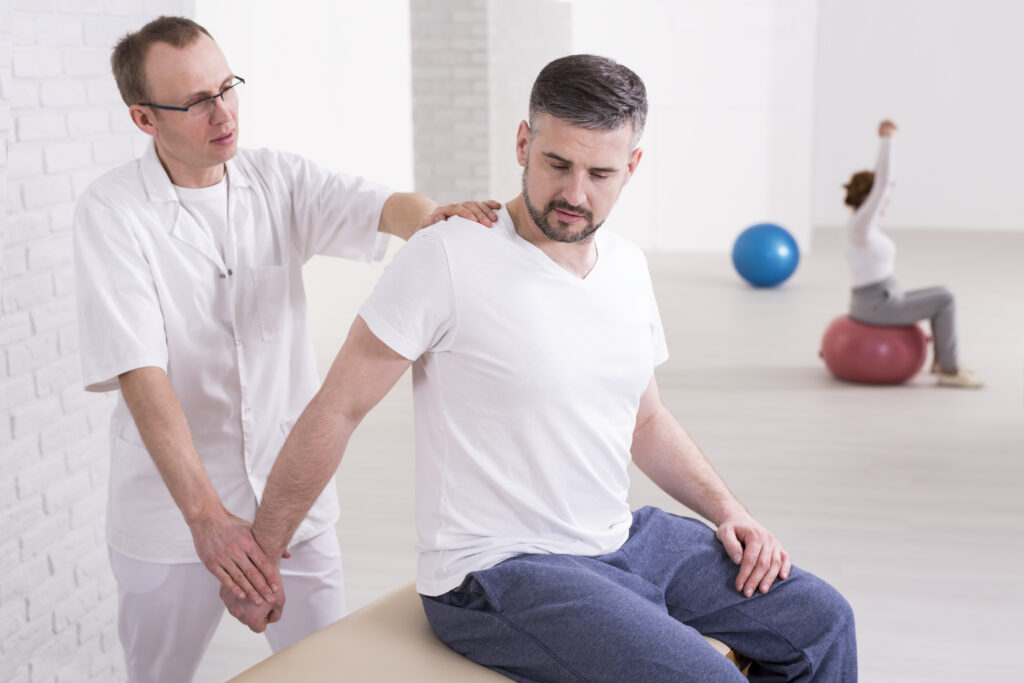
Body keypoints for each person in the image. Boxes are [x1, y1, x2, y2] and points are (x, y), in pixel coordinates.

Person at [226, 55, 857, 681]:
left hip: (622, 540)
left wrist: (730, 512)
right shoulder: (448, 255)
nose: (576, 194)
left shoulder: (627, 267)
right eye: (558, 164)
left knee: (823, 620)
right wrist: (264, 555)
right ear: (523, 143)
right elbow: (339, 407)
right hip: (499, 570)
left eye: (601, 173)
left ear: (632, 166)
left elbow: (646, 421)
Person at [73, 15, 499, 683]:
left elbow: (383, 206)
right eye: (197, 101)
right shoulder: (111, 211)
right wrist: (206, 519)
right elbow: (140, 372)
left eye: (227, 87)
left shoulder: (277, 179)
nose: (224, 112)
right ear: (144, 119)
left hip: (291, 498)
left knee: (329, 669)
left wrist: (430, 219)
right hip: (171, 513)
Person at [842, 119, 982, 388]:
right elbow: (883, 183)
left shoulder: (862, 227)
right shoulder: (860, 226)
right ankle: (949, 371)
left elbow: (881, 187)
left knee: (943, 292)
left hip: (884, 299)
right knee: (945, 299)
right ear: (868, 198)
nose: (886, 199)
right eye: (881, 197)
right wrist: (887, 140)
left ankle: (942, 361)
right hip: (876, 306)